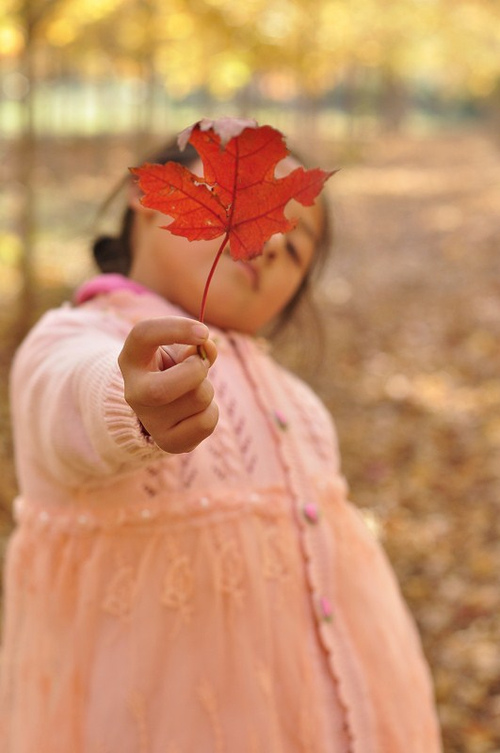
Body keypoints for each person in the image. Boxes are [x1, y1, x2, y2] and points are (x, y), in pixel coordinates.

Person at [0, 132, 442, 753]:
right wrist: (131, 401)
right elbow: (65, 399)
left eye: (296, 250)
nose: (275, 240)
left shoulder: (296, 400)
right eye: (249, 212)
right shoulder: (80, 338)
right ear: (149, 200)